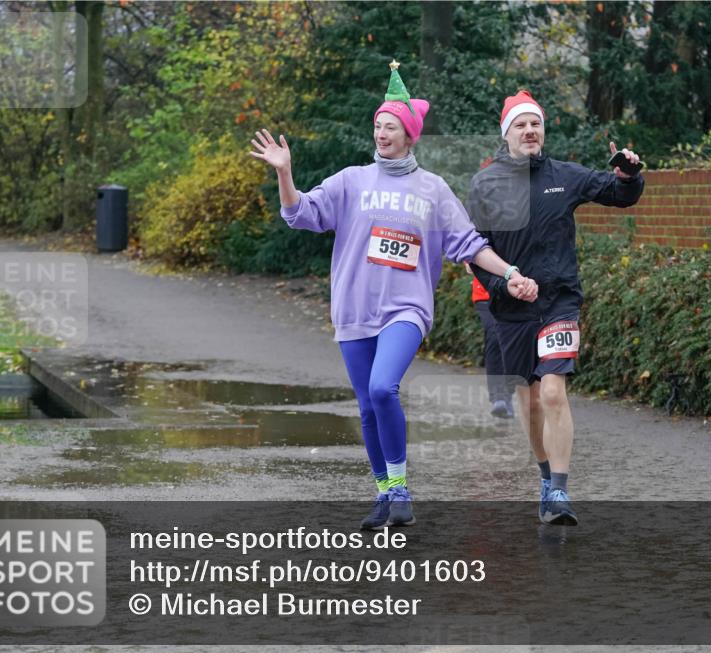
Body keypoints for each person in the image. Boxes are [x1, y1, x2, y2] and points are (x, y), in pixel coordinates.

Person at [248, 62, 538, 530]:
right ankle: (384, 493)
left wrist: (511, 274)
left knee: (384, 387)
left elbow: (469, 244)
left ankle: (400, 488)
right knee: (367, 405)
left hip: (406, 309)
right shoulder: (350, 181)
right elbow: (299, 214)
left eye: (390, 127)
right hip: (354, 309)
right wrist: (285, 175)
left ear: (409, 135)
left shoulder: (433, 189)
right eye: (377, 126)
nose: (381, 133)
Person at [469, 90, 644, 526]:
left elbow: (619, 194)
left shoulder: (564, 175)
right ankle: (546, 478)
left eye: (536, 124)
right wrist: (503, 284)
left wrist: (629, 174)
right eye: (521, 125)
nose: (530, 131)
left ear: (543, 131)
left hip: (559, 301)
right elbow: (474, 251)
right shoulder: (486, 184)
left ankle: (561, 490)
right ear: (506, 133)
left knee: (552, 391)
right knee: (530, 403)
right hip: (511, 309)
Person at [465, 266, 515, 418]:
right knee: (494, 336)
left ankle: (508, 394)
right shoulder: (478, 240)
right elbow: (469, 267)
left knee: (511, 342)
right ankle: (498, 396)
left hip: (513, 294)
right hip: (485, 294)